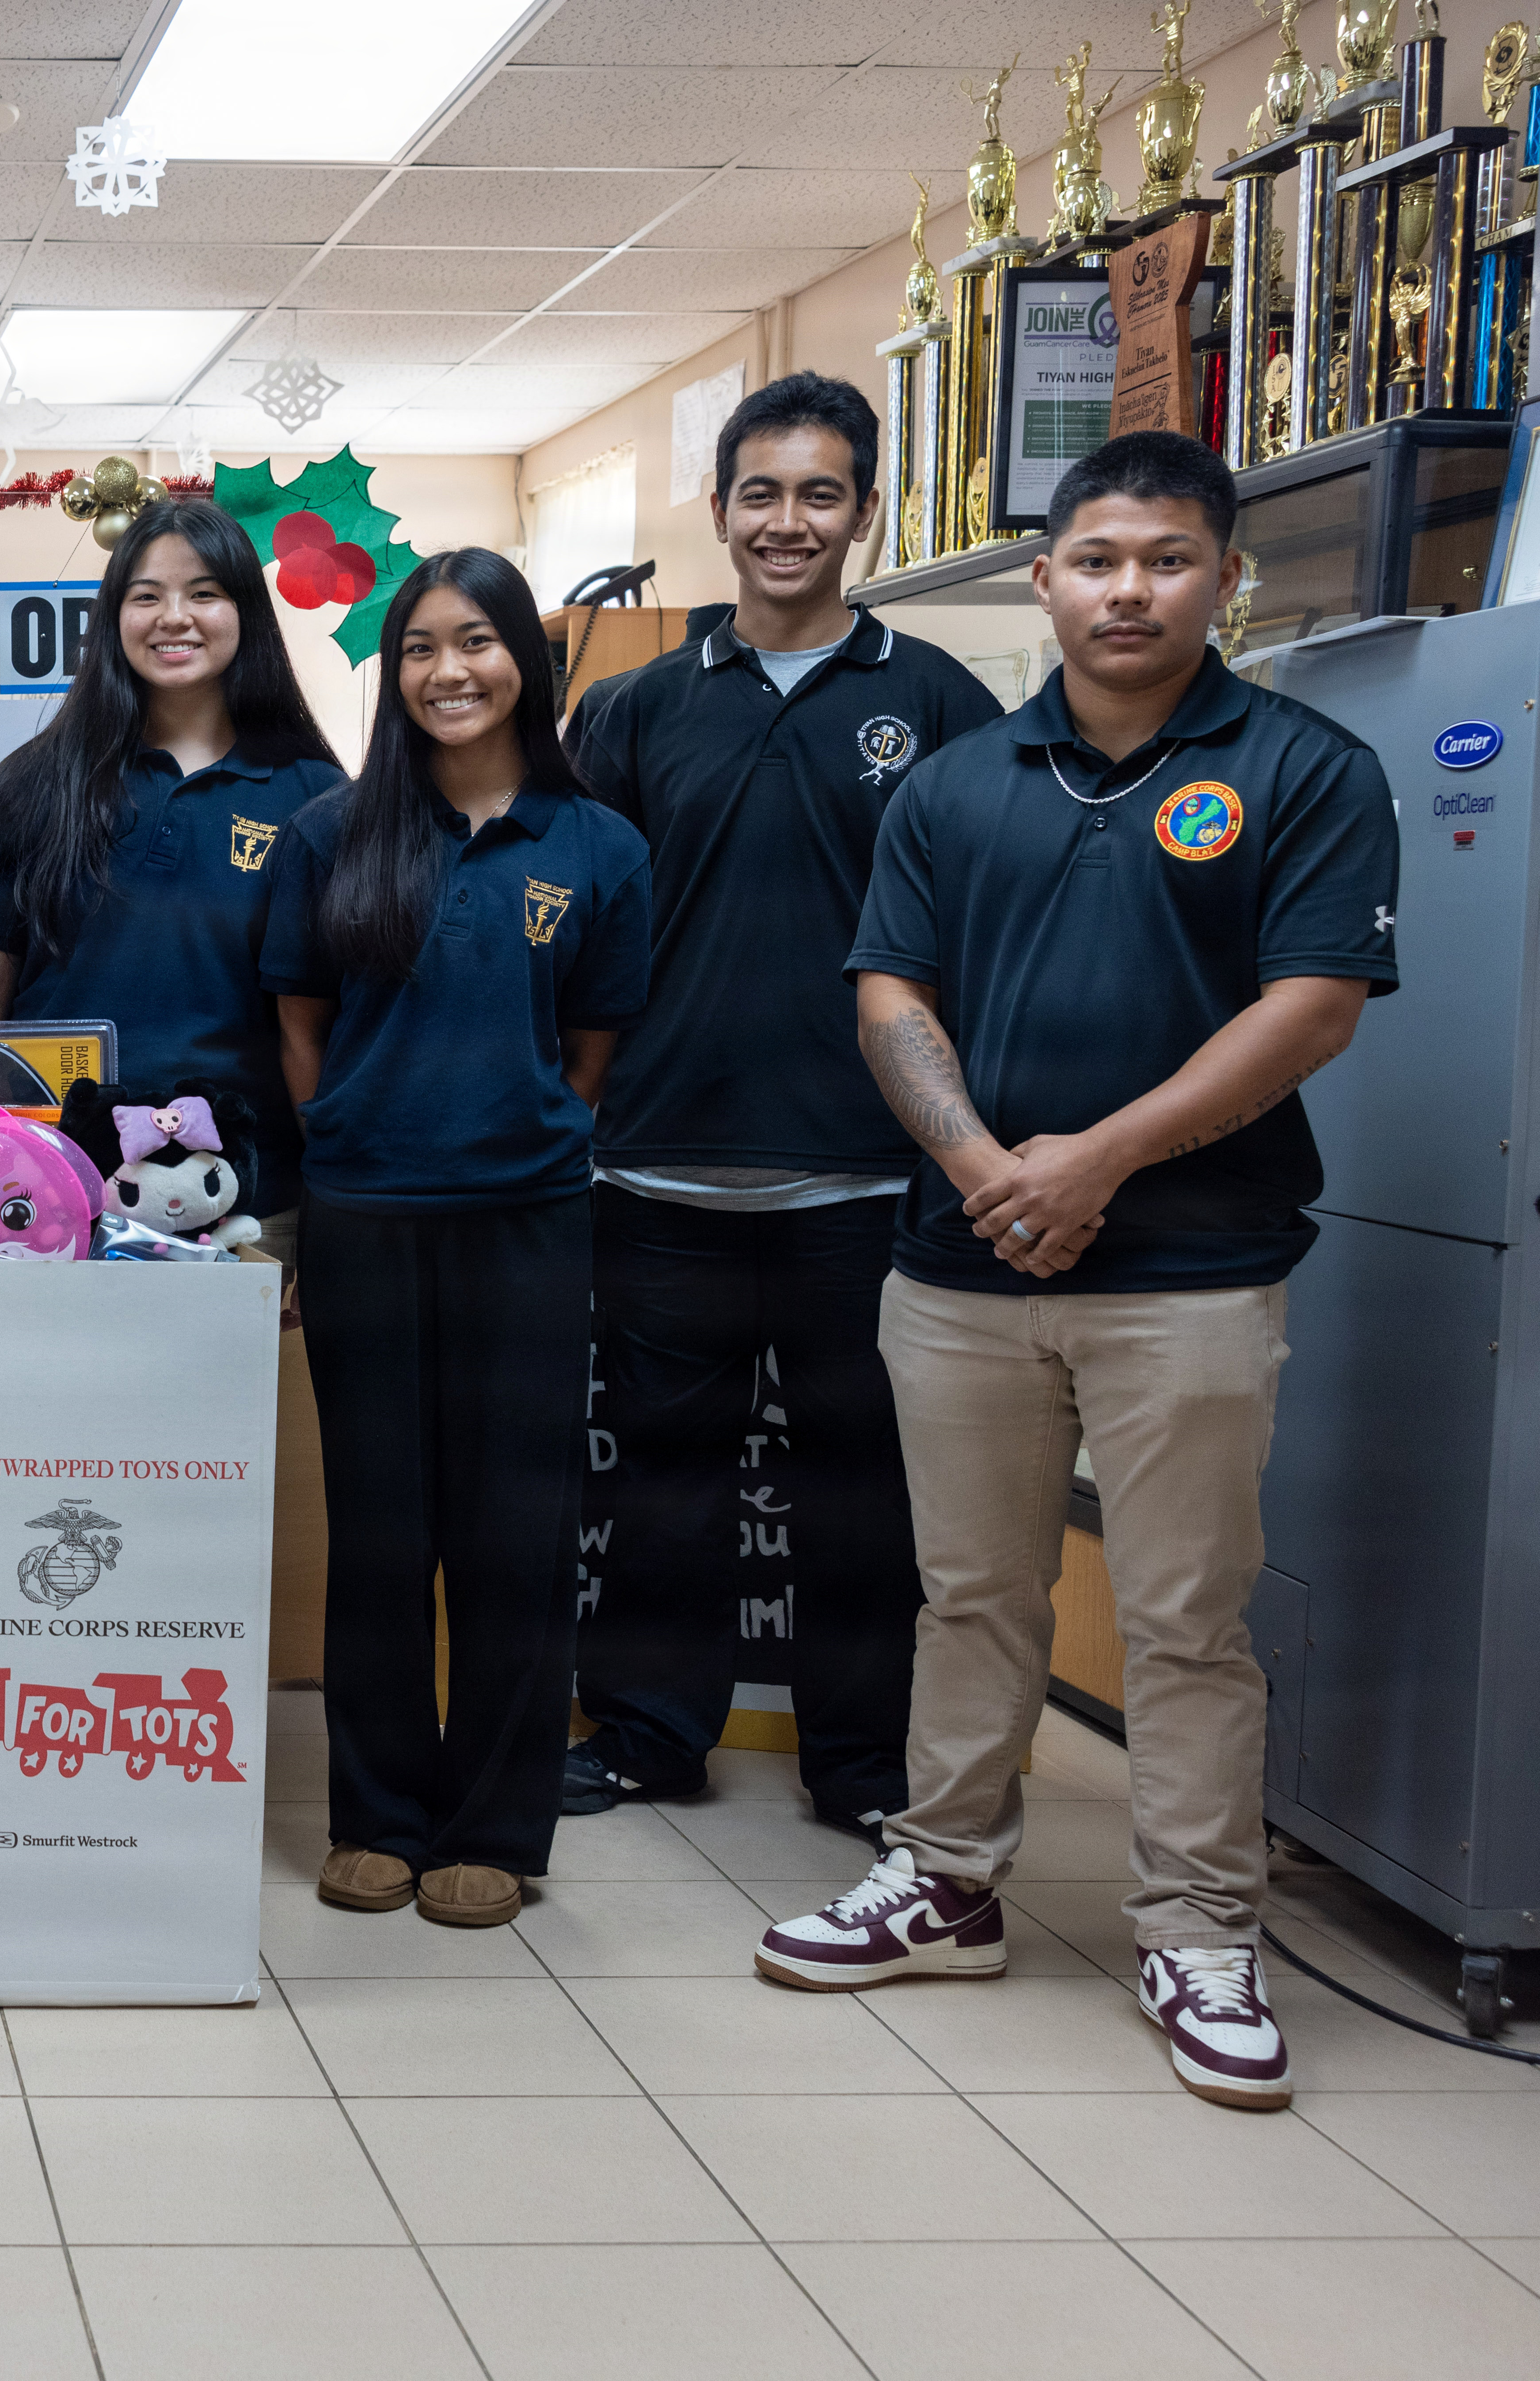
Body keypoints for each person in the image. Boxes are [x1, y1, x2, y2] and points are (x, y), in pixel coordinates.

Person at [753, 432, 1395, 2114]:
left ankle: (1196, 1927)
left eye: (1166, 558)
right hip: (958, 1267)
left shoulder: (1305, 765)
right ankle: (945, 1876)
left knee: (1183, 1618)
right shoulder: (953, 784)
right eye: (1095, 557)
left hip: (1189, 1272)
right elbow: (887, 990)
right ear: (1041, 577)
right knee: (969, 1594)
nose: (1128, 588)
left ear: (1219, 580)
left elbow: (1308, 1006)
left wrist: (1092, 1160)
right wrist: (982, 1168)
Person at [562, 373, 1005, 1840]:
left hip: (867, 1185)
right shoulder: (627, 710)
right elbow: (569, 933)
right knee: (660, 1488)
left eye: (820, 493)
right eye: (760, 492)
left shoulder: (937, 704)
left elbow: (976, 938)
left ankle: (863, 1765)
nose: (786, 521)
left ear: (862, 512)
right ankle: (645, 1734)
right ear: (718, 509)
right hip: (656, 1172)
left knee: (862, 1494)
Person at [261, 548, 650, 1931]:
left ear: (523, 664)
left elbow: (593, 1041)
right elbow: (301, 1025)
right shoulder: (331, 833)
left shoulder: (597, 846)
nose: (447, 671)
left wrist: (528, 1127)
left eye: (475, 642)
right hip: (368, 1218)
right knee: (380, 1528)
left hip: (531, 1222)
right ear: (392, 672)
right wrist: (359, 1140)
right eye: (419, 647)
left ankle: (494, 1820)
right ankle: (376, 1812)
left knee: (513, 1531)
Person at [0, 496, 341, 1252]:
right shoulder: (36, 782)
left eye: (205, 593)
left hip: (253, 1199)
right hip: (51, 1188)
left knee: (241, 1376)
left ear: (245, 611)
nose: (174, 617)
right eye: (145, 596)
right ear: (112, 618)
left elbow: (329, 1019)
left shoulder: (314, 795)